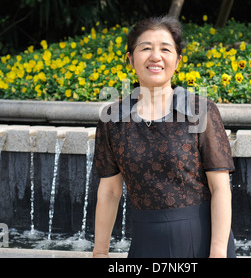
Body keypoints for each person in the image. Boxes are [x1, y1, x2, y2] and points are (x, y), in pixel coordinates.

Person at [92, 16, 236, 258]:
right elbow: (109, 192)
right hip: (145, 243)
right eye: (146, 48)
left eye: (165, 49)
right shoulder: (112, 119)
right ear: (130, 58)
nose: (155, 56)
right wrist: (99, 252)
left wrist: (218, 253)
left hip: (200, 241)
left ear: (177, 60)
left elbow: (220, 188)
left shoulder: (200, 111)